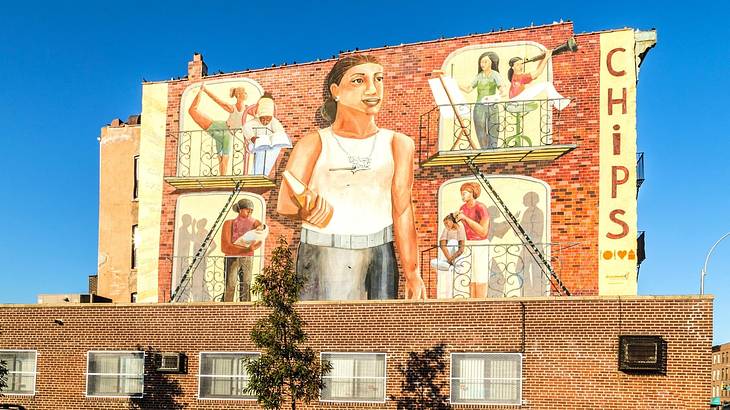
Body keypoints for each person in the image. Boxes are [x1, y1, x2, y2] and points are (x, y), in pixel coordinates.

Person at [277, 54, 425, 301]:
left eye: (378, 79)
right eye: (358, 80)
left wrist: (412, 272)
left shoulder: (399, 144)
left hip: (380, 252)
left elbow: (403, 209)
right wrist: (307, 210)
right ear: (336, 91)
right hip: (323, 250)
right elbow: (285, 202)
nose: (372, 88)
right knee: (323, 329)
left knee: (377, 331)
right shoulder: (313, 143)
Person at [188, 84, 253, 176]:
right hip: (220, 127)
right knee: (192, 111)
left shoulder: (248, 109)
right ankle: (200, 92)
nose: (246, 94)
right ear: (238, 95)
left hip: (227, 134)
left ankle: (222, 180)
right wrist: (204, 90)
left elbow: (258, 113)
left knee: (223, 159)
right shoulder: (232, 108)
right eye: (244, 92)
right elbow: (217, 100)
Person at [459, 52, 507, 149]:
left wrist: (499, 94)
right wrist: (455, 84)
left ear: (491, 63)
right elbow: (468, 89)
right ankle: (484, 149)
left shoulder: (495, 74)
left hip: (492, 106)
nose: (483, 64)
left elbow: (502, 89)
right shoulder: (479, 76)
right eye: (481, 62)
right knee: (480, 129)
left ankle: (492, 149)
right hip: (479, 107)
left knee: (493, 128)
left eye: (485, 62)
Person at [220, 198, 263, 302]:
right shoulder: (229, 223)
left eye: (251, 211)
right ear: (240, 210)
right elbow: (225, 246)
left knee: (246, 284)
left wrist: (255, 243)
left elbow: (260, 239)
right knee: (230, 284)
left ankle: (245, 307)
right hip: (231, 257)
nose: (250, 213)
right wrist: (244, 249)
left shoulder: (255, 223)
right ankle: (226, 307)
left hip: (248, 257)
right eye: (247, 210)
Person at [455, 182, 491, 298]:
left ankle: (480, 301)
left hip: (480, 244)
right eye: (461, 193)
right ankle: (472, 302)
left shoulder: (481, 207)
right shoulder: (462, 208)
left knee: (480, 275)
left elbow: (483, 231)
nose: (462, 196)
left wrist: (465, 218)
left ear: (472, 193)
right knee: (471, 275)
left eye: (465, 193)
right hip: (469, 244)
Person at [243, 93, 292, 176]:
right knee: (263, 148)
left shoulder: (274, 122)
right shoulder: (254, 121)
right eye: (263, 119)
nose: (265, 121)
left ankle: (263, 173)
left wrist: (274, 139)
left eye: (268, 119)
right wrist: (252, 137)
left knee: (274, 148)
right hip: (253, 145)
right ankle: (257, 174)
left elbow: (280, 132)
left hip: (268, 146)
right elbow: (245, 127)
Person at [431, 213, 466, 298]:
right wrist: (448, 258)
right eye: (445, 224)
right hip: (448, 258)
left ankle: (453, 265)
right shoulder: (447, 229)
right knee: (432, 262)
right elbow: (442, 244)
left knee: (453, 242)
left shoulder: (460, 229)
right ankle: (450, 267)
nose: (446, 225)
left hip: (456, 256)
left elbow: (461, 249)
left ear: (452, 221)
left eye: (447, 223)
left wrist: (452, 258)